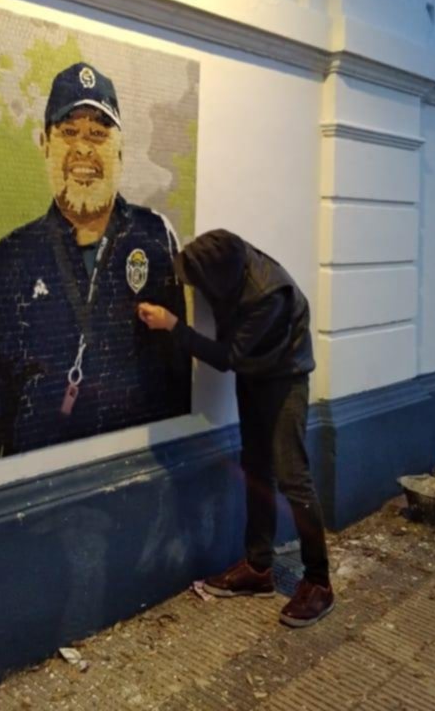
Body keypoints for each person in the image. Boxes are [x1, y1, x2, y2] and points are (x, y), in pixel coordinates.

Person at [0, 62, 191, 472]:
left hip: (142, 476)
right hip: (39, 502)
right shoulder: (7, 262)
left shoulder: (155, 238)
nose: (84, 149)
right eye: (69, 132)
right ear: (45, 144)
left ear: (119, 148)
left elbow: (180, 371)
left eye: (98, 133)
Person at [137, 229, 334, 628]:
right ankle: (259, 569)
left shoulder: (266, 295)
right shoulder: (226, 259)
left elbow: (227, 357)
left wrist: (174, 325)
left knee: (292, 476)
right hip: (255, 369)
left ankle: (318, 583)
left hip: (285, 375)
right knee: (256, 468)